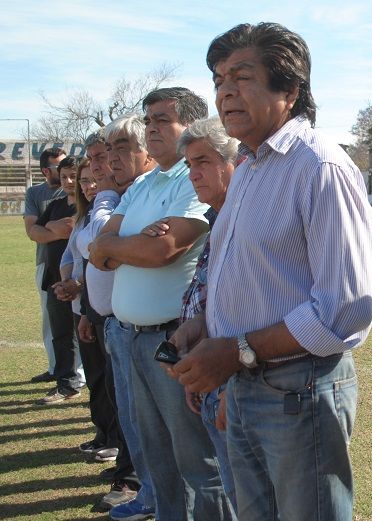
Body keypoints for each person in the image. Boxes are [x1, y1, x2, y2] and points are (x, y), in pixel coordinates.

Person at [169, 23, 372, 521]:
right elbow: (243, 270)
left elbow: (344, 311)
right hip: (246, 385)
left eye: (241, 77)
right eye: (219, 80)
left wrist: (237, 350)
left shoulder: (319, 167)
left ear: (290, 89)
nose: (225, 92)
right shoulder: (249, 168)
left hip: (298, 390)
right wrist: (205, 327)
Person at [89, 88, 234, 521]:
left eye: (162, 120)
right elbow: (97, 248)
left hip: (172, 337)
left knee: (197, 460)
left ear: (190, 125)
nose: (150, 128)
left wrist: (122, 246)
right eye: (148, 120)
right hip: (131, 337)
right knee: (155, 457)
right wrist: (126, 244)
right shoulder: (144, 184)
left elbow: (163, 250)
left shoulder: (193, 179)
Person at [151, 116, 239, 512]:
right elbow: (215, 303)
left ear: (234, 162)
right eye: (189, 164)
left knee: (248, 498)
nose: (193, 174)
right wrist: (193, 335)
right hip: (209, 373)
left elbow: (253, 308)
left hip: (237, 379)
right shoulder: (216, 218)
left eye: (203, 161)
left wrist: (232, 388)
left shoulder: (245, 221)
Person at [77, 120, 157, 513]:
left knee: (147, 419)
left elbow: (99, 241)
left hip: (148, 327)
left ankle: (136, 483)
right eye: (103, 153)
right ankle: (137, 480)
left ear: (147, 153)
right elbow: (90, 247)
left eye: (118, 149)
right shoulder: (121, 196)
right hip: (114, 321)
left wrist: (106, 199)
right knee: (126, 410)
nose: (107, 161)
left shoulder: (136, 193)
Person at [53, 157, 119, 468]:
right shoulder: (83, 217)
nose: (88, 186)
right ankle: (103, 433)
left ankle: (117, 441)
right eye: (83, 181)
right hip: (84, 305)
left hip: (102, 305)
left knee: (110, 378)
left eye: (93, 179)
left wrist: (76, 284)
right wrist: (67, 283)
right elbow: (69, 256)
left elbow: (100, 260)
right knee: (95, 376)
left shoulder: (110, 213)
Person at [30, 156, 82, 404]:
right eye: (64, 177)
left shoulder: (88, 204)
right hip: (54, 280)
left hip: (79, 281)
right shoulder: (55, 205)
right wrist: (53, 226)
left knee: (86, 332)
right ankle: (66, 383)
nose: (69, 181)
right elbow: (34, 231)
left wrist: (54, 227)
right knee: (61, 333)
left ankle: (86, 380)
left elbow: (73, 227)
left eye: (74, 176)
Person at [24, 147, 66, 383]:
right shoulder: (35, 193)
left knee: (76, 318)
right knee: (50, 319)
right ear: (45, 171)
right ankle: (54, 368)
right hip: (46, 264)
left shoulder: (74, 189)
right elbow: (32, 231)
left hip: (73, 264)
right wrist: (60, 231)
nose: (64, 172)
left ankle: (76, 374)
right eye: (58, 167)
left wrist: (48, 227)